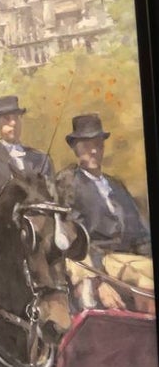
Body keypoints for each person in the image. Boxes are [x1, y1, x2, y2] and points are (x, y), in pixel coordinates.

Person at [55, 114, 151, 311]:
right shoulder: (68, 182)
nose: (93, 151)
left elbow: (141, 235)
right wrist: (99, 280)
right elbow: (74, 238)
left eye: (98, 144)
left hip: (128, 259)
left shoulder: (116, 186)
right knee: (146, 284)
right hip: (97, 260)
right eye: (86, 145)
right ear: (75, 148)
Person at [0, 95, 54, 225]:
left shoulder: (40, 159)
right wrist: (7, 223)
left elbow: (52, 199)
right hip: (6, 234)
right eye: (7, 119)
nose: (13, 123)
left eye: (16, 118)